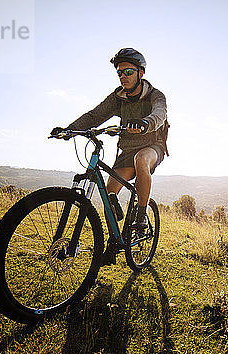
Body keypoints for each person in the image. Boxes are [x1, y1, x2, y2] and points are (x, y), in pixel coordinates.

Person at [52, 48, 168, 265]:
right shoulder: (118, 98)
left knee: (141, 160)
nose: (123, 77)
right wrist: (69, 129)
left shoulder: (155, 95)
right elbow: (95, 115)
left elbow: (159, 114)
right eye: (119, 73)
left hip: (152, 146)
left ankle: (141, 214)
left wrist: (145, 124)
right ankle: (114, 242)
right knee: (109, 194)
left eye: (128, 72)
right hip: (127, 151)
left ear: (140, 73)